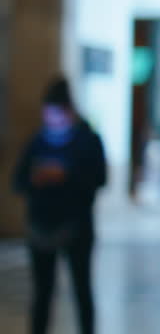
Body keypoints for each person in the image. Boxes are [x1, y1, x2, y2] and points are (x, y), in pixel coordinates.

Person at [12, 77, 106, 334]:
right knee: (43, 292)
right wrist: (37, 178)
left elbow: (99, 179)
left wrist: (66, 176)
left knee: (81, 290)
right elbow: (18, 181)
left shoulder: (87, 140)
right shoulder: (37, 142)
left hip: (77, 228)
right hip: (41, 226)